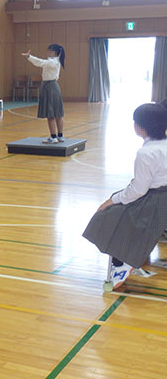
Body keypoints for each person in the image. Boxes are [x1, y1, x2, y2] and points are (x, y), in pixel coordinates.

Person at [83, 102, 167, 289]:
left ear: (141, 127)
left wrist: (111, 200)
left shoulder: (146, 153)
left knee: (111, 214)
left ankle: (123, 262)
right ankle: (133, 257)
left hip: (158, 200)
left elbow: (138, 190)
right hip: (160, 196)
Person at [22, 44, 66, 144]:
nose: (48, 53)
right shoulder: (55, 61)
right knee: (58, 114)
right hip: (53, 87)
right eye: (48, 51)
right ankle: (60, 136)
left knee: (50, 115)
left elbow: (39, 62)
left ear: (56, 53)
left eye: (51, 51)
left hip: (49, 87)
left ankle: (53, 137)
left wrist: (29, 57)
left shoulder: (52, 62)